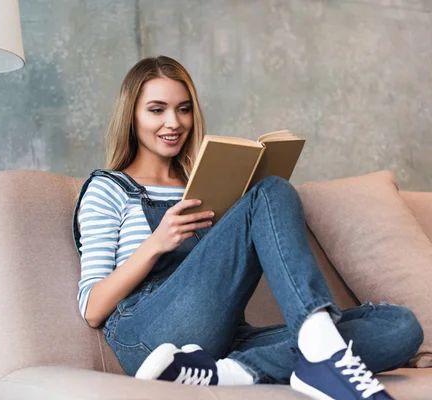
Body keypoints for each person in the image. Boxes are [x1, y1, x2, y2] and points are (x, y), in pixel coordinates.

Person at [71, 55, 423, 399]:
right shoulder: (109, 188)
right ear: (131, 115)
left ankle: (231, 372)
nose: (173, 123)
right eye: (156, 109)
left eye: (184, 108)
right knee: (270, 191)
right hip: (147, 334)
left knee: (400, 328)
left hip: (222, 338)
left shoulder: (205, 181)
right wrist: (156, 244)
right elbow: (92, 308)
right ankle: (324, 356)